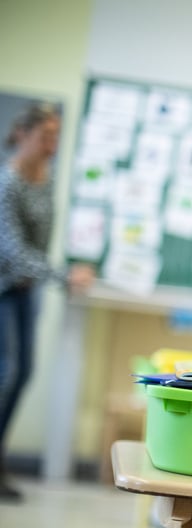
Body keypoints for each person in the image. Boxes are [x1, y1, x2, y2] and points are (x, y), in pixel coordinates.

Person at [0, 103, 95, 502]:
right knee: (8, 373)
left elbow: (41, 241)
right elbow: (13, 250)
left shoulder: (46, 177)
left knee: (23, 375)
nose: (52, 144)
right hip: (4, 288)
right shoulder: (8, 183)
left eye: (56, 136)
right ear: (23, 134)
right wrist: (63, 275)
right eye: (45, 136)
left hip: (27, 290)